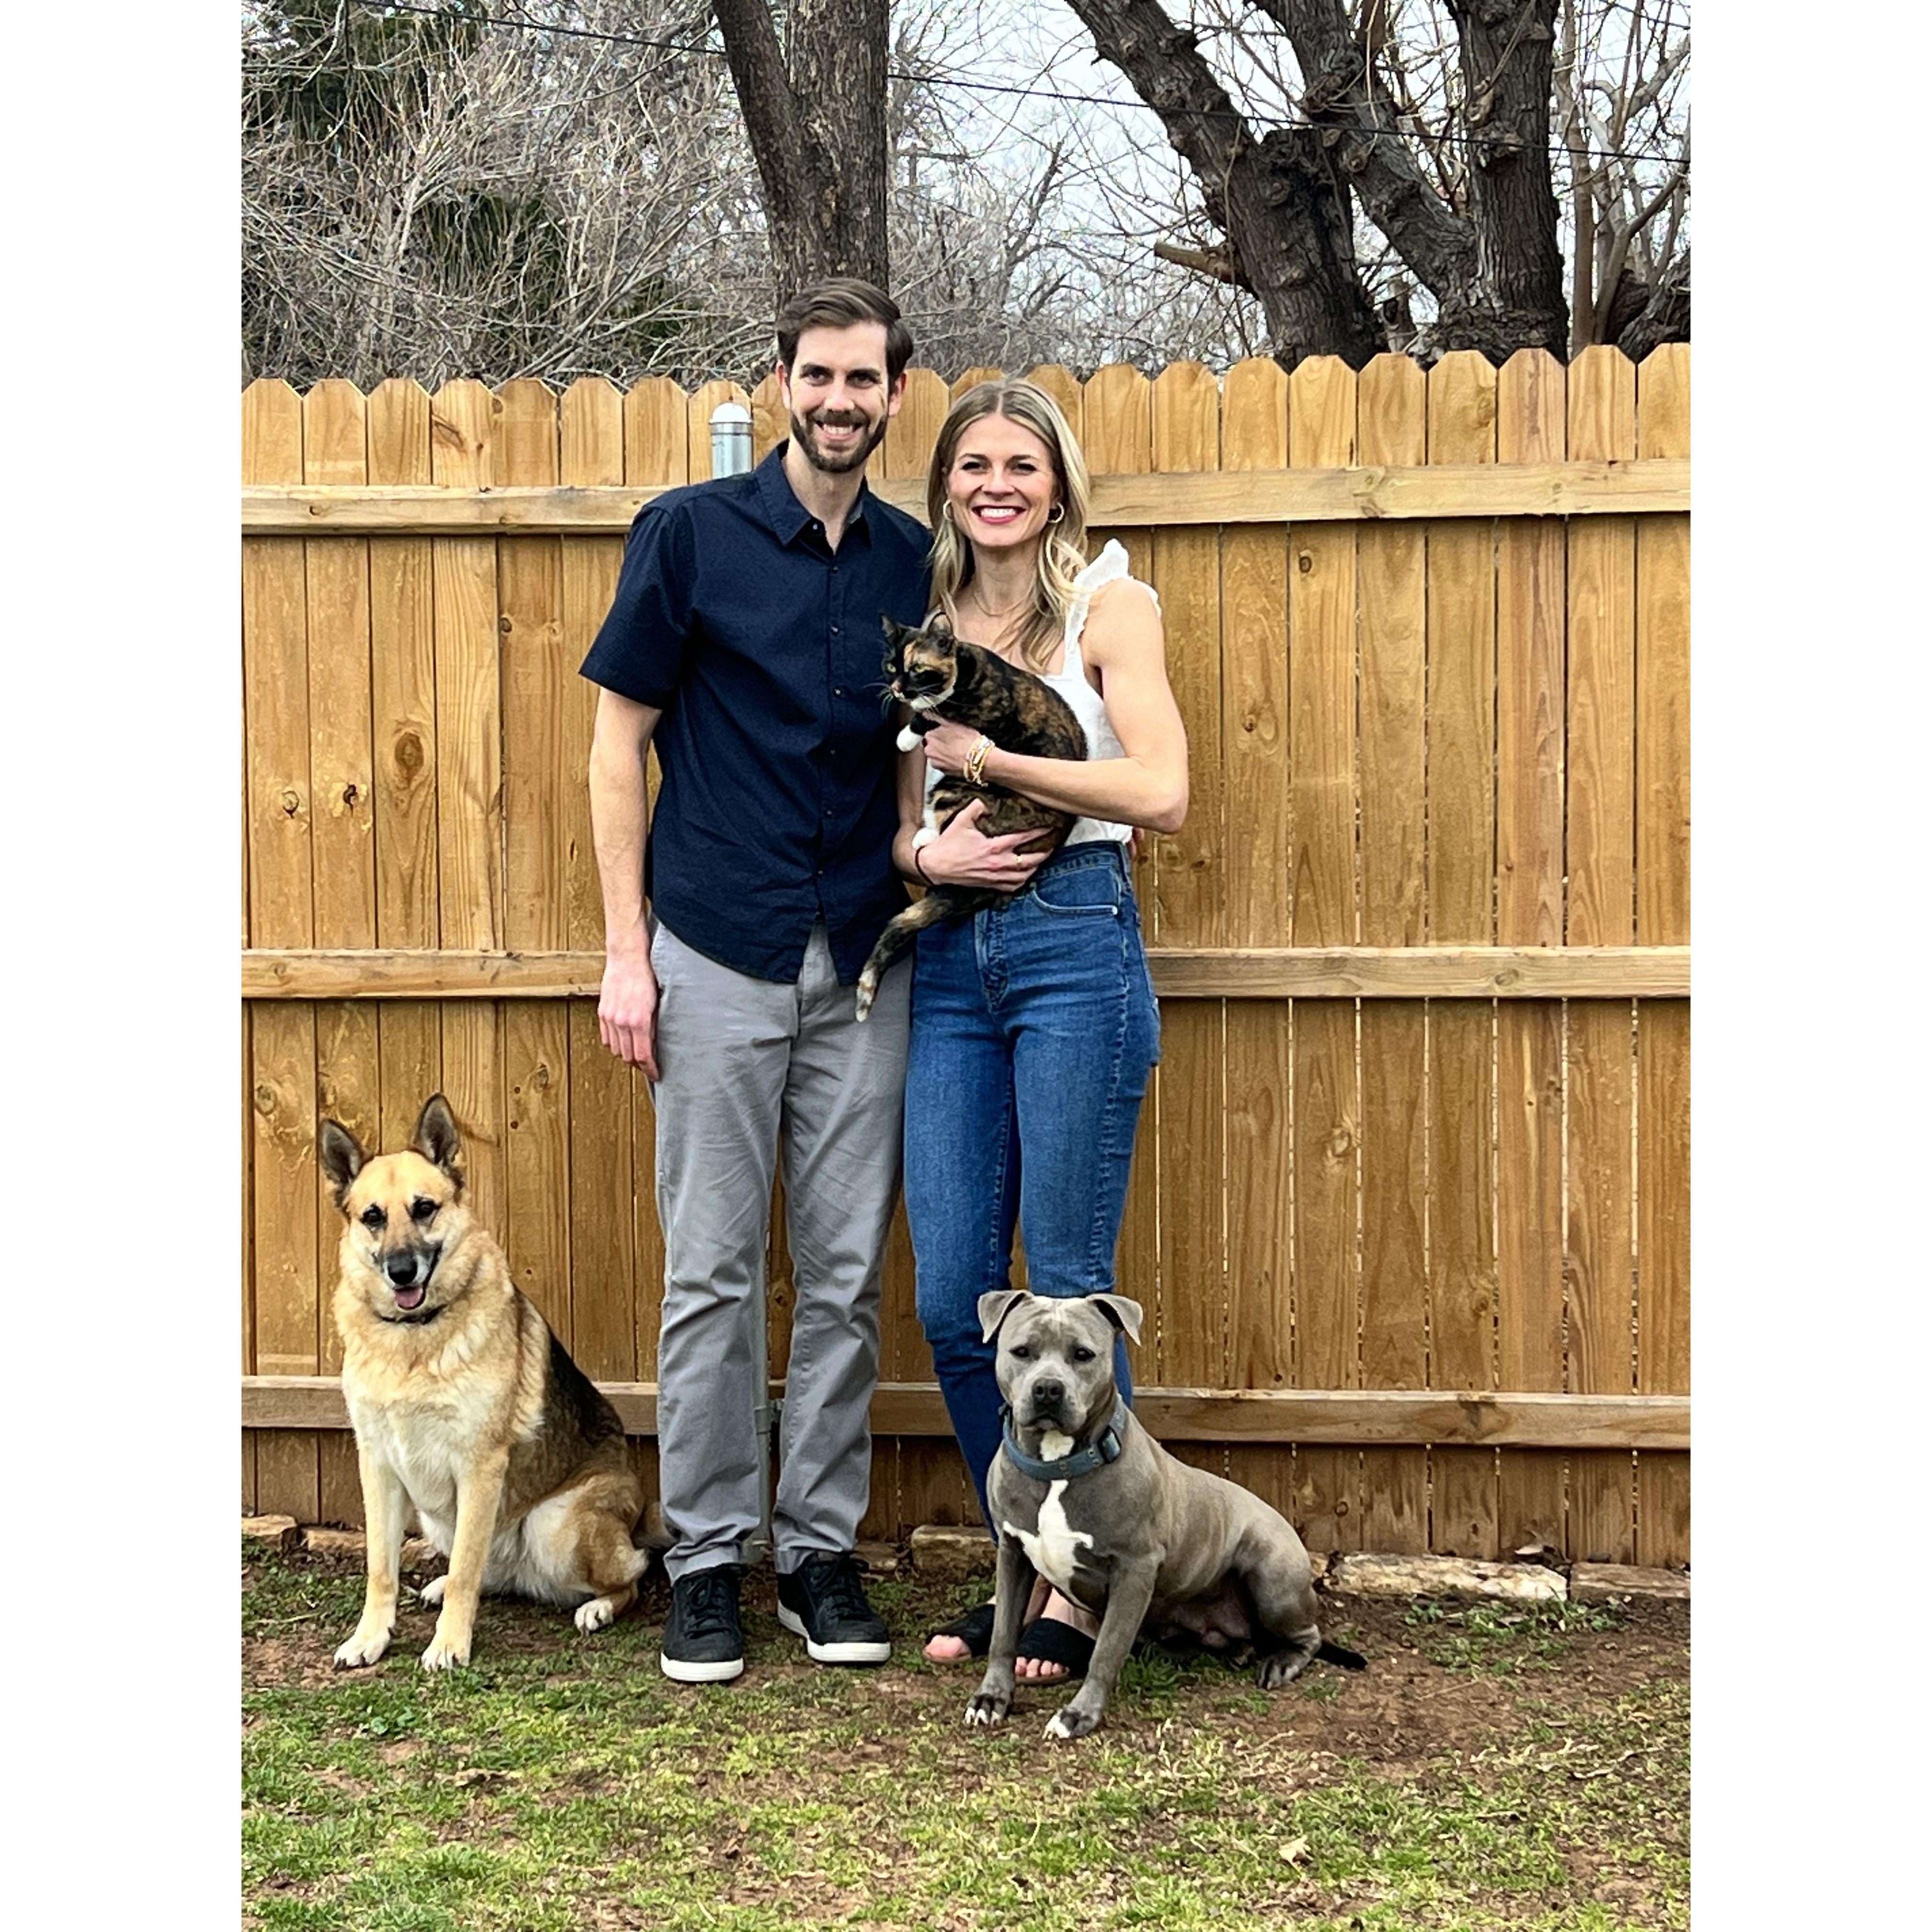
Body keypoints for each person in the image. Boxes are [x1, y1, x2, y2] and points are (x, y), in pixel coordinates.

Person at [582, 279, 991, 1685]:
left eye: (864, 380)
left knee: (840, 1276)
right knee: (707, 1277)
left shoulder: (909, 560)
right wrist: (624, 952)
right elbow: (614, 748)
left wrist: (914, 840)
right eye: (817, 375)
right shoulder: (687, 538)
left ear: (893, 394)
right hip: (711, 947)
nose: (838, 400)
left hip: (862, 958)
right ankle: (705, 1564)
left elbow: (910, 734)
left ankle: (817, 1555)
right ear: (781, 380)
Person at [895, 379, 1189, 1682]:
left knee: (1070, 1285)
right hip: (954, 952)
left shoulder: (1108, 610)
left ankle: (1084, 1590)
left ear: (1058, 483)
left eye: (1022, 462)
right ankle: (1030, 1546)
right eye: (975, 464)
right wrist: (925, 846)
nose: (997, 483)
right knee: (958, 1289)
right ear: (949, 485)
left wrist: (1002, 767)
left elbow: (1161, 789)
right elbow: (908, 811)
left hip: (1077, 937)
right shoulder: (932, 626)